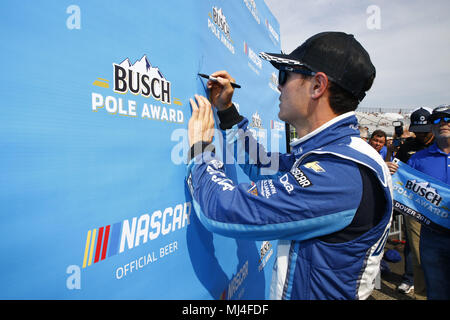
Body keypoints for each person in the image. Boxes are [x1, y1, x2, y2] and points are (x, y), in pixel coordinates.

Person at [186, 31, 393, 300]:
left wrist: (201, 150)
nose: (279, 86)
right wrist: (226, 112)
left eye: (284, 75)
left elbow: (223, 211)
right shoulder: (333, 155)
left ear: (318, 86)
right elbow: (261, 166)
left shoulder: (340, 174)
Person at [386, 107, 434, 297]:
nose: (421, 135)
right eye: (418, 130)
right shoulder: (408, 145)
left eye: (425, 130)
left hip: (440, 207)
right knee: (413, 246)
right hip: (414, 205)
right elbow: (396, 169)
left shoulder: (441, 145)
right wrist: (390, 155)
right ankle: (410, 279)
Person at [406, 105, 450, 300]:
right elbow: (405, 191)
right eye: (438, 120)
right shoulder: (417, 159)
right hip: (432, 236)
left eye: (448, 119)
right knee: (436, 290)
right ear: (432, 127)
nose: (443, 124)